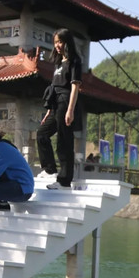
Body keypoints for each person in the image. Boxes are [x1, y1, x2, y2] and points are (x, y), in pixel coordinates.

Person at [36, 28, 83, 190]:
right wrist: (49, 110)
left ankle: (64, 181)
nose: (57, 45)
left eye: (60, 42)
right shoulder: (58, 62)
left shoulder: (74, 61)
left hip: (65, 101)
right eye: (55, 42)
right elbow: (53, 87)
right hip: (55, 103)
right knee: (42, 133)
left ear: (67, 42)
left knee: (64, 141)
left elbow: (75, 87)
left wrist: (70, 110)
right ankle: (49, 169)